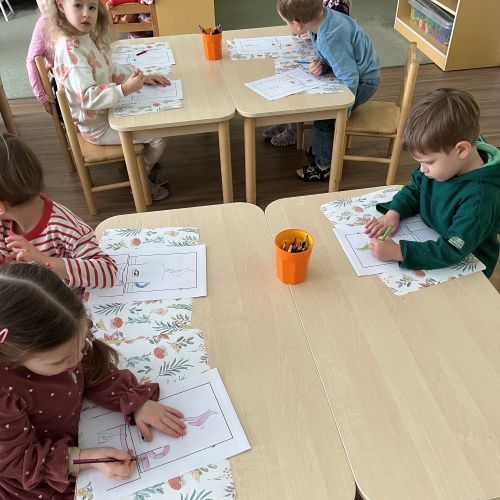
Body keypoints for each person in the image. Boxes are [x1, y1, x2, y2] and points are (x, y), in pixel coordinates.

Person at [0, 263, 186, 499]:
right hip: (40, 471)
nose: (78, 359)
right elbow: (18, 461)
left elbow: (94, 371)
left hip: (81, 430)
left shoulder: (65, 338)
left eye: (82, 343)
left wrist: (134, 401)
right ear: (13, 356)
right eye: (61, 361)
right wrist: (85, 458)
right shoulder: (4, 394)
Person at [365, 88, 500, 277]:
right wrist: (394, 212)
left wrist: (399, 252)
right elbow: (416, 188)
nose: (422, 169)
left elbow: (453, 249)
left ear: (461, 150)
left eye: (428, 162)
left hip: (470, 265)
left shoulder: (481, 199)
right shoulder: (449, 164)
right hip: (433, 236)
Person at [48, 0, 170, 200]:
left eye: (92, 7)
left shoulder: (83, 36)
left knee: (154, 116)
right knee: (160, 134)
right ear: (61, 6)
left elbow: (108, 68)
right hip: (97, 127)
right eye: (78, 6)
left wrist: (142, 77)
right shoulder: (71, 51)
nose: (86, 13)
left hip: (105, 113)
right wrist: (125, 89)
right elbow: (87, 97)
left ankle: (138, 167)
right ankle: (139, 177)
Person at [277, 0, 380, 181]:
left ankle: (324, 165)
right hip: (356, 73)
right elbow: (337, 56)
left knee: (325, 117)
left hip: (363, 81)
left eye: (286, 22)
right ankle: (324, 147)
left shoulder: (329, 37)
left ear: (298, 24)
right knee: (324, 112)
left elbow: (350, 77)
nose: (286, 26)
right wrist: (323, 64)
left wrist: (342, 112)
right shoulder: (322, 18)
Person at [0, 133, 117, 289]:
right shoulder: (4, 224)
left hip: (64, 300)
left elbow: (107, 273)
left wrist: (44, 261)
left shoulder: (64, 226)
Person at [263, 0, 352, 147]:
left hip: (346, 70)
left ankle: (317, 150)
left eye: (287, 22)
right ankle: (289, 122)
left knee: (322, 115)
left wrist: (344, 111)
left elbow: (348, 71)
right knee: (291, 76)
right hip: (326, 55)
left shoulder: (336, 11)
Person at [26, 0, 54, 114]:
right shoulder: (43, 26)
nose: (45, 3)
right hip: (65, 84)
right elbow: (31, 61)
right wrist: (41, 95)